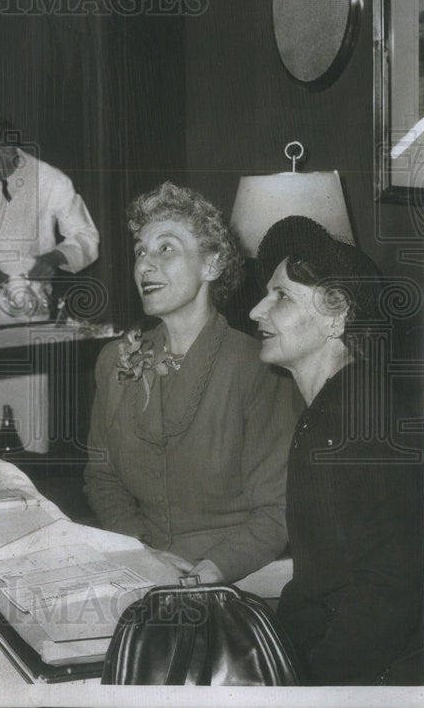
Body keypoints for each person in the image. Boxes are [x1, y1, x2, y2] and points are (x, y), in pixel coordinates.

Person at [84, 182, 300, 584]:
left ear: (212, 265)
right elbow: (103, 477)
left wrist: (208, 572)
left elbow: (278, 508)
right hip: (139, 565)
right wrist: (140, 549)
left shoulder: (257, 367)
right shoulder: (114, 361)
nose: (145, 266)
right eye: (140, 252)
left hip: (235, 577)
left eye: (166, 248)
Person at [250, 216, 424, 685]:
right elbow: (319, 585)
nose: (256, 311)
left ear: (336, 314)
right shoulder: (331, 412)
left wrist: (307, 690)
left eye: (281, 296)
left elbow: (391, 594)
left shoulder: (363, 425)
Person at [0, 115, 99, 452]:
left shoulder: (51, 180)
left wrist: (54, 260)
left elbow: (86, 237)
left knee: (25, 401)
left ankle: (27, 471)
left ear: (7, 150)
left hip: (30, 302)